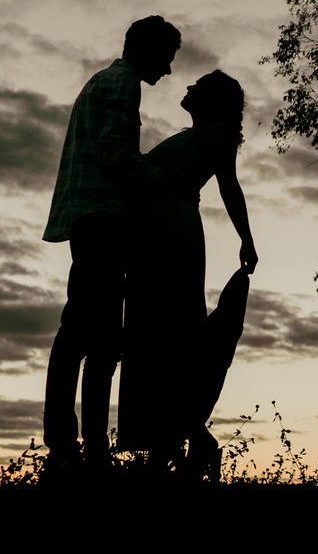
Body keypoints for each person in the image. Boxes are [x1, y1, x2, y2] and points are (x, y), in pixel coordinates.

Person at [42, 15, 181, 474]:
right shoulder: (123, 84)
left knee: (100, 340)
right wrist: (162, 178)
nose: (167, 69)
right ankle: (68, 448)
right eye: (165, 57)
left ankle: (90, 449)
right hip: (103, 220)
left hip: (92, 218)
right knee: (84, 335)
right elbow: (112, 151)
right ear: (145, 47)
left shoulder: (99, 82)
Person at [117, 69, 258, 476]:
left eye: (199, 86)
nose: (189, 87)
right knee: (154, 341)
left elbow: (229, 185)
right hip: (156, 237)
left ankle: (189, 442)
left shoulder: (217, 132)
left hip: (172, 239)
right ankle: (169, 447)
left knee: (169, 339)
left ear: (212, 101)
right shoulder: (194, 134)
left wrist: (246, 238)